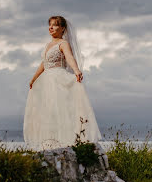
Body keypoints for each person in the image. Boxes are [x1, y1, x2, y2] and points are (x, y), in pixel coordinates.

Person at [23, 15, 102, 150]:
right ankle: (49, 144)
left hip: (57, 79)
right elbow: (44, 63)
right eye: (50, 25)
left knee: (61, 111)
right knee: (48, 112)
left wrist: (76, 70)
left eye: (55, 25)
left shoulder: (63, 43)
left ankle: (67, 142)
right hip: (45, 81)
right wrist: (33, 78)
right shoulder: (48, 45)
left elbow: (69, 57)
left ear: (62, 29)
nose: (51, 27)